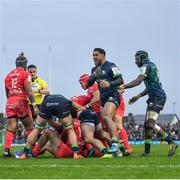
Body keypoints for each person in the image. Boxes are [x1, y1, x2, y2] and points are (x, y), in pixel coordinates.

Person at [120, 50, 178, 156]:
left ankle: (171, 142)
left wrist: (123, 86)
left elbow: (138, 81)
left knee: (149, 124)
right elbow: (150, 87)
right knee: (147, 125)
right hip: (154, 96)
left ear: (142, 58)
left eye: (137, 59)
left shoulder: (146, 66)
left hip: (157, 97)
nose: (135, 62)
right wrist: (138, 96)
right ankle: (147, 152)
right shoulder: (151, 66)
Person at [14, 94, 82, 159]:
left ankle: (25, 153)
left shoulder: (45, 102)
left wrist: (54, 123)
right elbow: (80, 107)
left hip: (47, 104)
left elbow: (54, 124)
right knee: (70, 129)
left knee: (37, 129)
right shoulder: (65, 101)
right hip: (61, 102)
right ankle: (76, 153)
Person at [87, 48, 124, 153]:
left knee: (106, 116)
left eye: (96, 55)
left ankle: (115, 144)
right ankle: (120, 149)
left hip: (113, 95)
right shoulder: (94, 69)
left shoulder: (111, 66)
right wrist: (94, 76)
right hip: (103, 99)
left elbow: (121, 80)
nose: (94, 57)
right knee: (109, 123)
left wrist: (110, 84)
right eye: (93, 55)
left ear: (103, 55)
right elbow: (88, 83)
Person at [3, 52, 39, 157]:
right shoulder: (25, 74)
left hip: (10, 102)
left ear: (16, 64)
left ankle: (6, 152)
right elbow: (29, 91)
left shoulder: (8, 76)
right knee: (29, 127)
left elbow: (7, 93)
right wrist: (34, 105)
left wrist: (12, 101)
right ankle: (31, 151)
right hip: (21, 102)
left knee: (11, 128)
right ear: (26, 64)